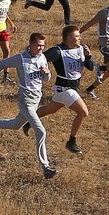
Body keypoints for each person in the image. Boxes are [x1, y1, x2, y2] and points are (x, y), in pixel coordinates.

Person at [0, 32, 57, 179]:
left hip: (36, 99)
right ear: (31, 44)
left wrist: (46, 73)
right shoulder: (21, 59)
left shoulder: (42, 57)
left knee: (16, 125)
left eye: (43, 46)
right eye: (38, 45)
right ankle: (45, 167)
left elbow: (47, 79)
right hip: (25, 100)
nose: (41, 48)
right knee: (41, 131)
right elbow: (2, 63)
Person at [27, 25, 94, 153]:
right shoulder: (58, 51)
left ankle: (28, 121)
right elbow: (40, 58)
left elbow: (90, 67)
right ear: (69, 38)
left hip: (68, 89)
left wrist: (89, 56)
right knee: (83, 112)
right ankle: (71, 141)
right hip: (65, 89)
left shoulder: (81, 49)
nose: (80, 38)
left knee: (49, 110)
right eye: (77, 36)